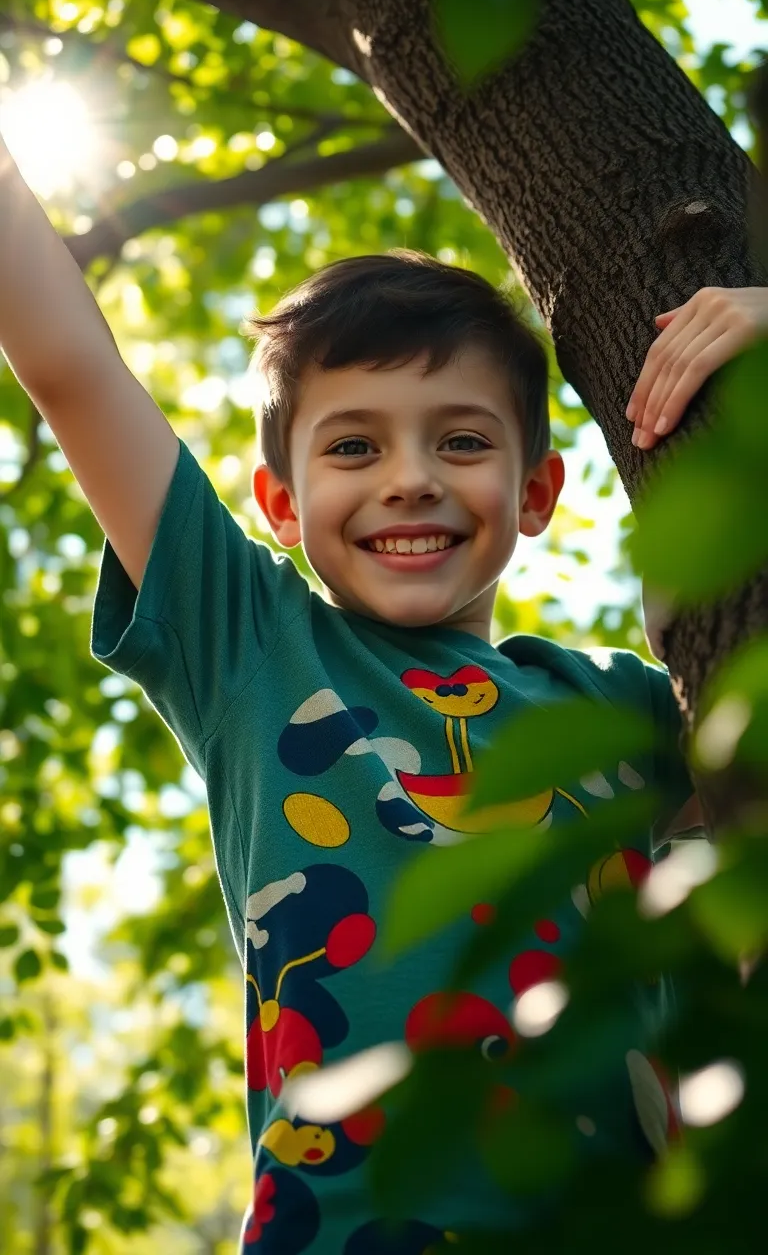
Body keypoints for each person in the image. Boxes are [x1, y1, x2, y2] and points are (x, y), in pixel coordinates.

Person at [2, 129, 767, 1253]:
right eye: (353, 448)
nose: (410, 477)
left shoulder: (628, 705)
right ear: (280, 500)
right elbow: (66, 363)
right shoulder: (249, 642)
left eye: (460, 440)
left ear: (538, 489)